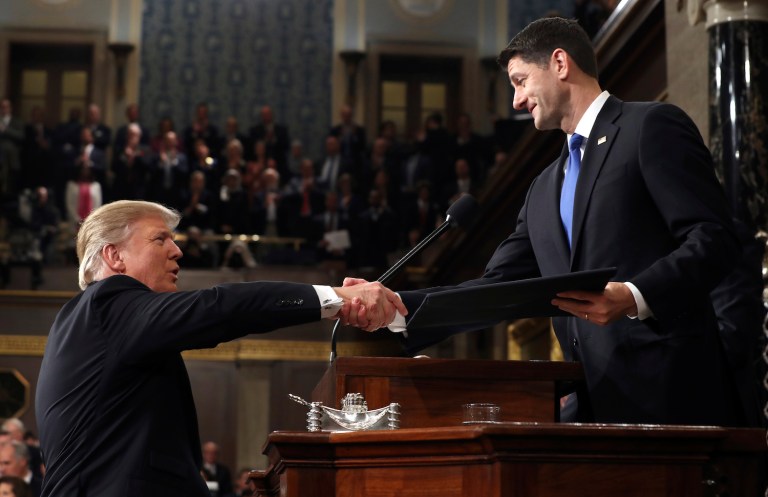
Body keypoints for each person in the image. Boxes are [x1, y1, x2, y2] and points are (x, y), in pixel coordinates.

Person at [348, 17, 743, 427]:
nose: (516, 101)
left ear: (559, 63)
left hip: (674, 400)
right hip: (591, 411)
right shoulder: (542, 189)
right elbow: (496, 289)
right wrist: (395, 307)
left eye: (520, 81)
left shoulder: (650, 127)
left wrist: (634, 295)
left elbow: (714, 237)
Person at [35, 200, 405, 497]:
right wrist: (334, 298)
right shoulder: (107, 304)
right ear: (114, 257)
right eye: (160, 239)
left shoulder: (94, 324)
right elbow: (219, 307)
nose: (177, 251)